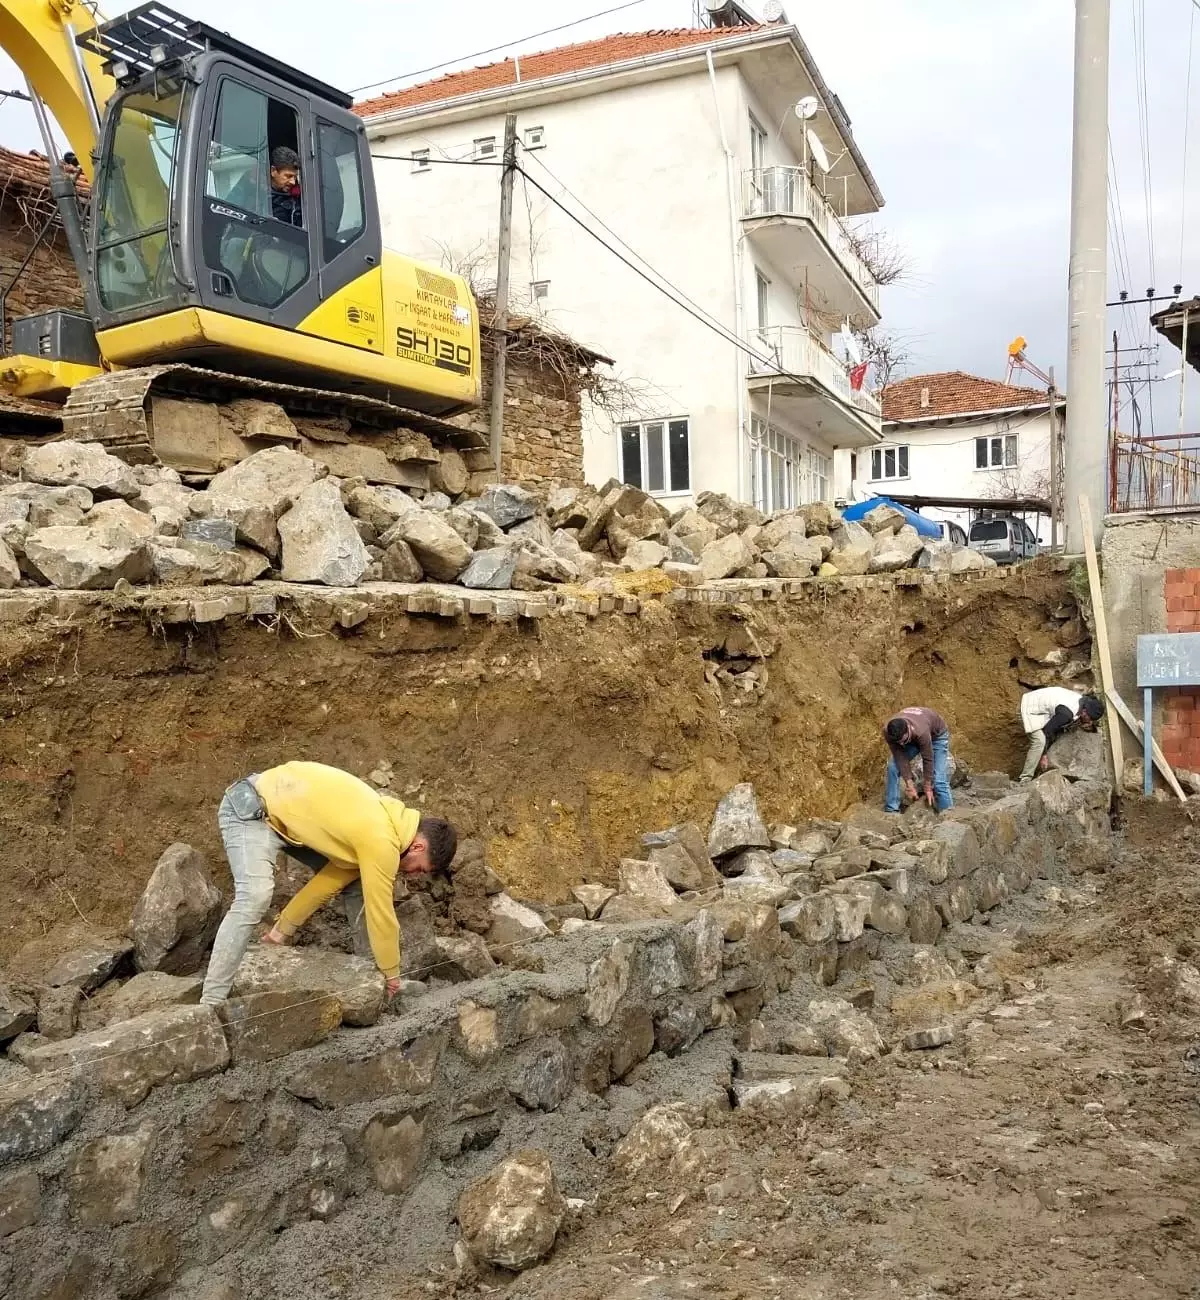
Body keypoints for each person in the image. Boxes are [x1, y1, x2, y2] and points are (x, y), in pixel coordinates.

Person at [199, 762, 457, 1005]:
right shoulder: (382, 840)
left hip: (284, 817)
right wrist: (394, 973)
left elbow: (329, 881)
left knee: (356, 884)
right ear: (418, 845)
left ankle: (372, 983)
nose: (413, 874)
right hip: (250, 810)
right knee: (253, 897)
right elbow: (382, 914)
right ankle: (211, 1003)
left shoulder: (382, 825)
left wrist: (282, 929)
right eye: (420, 868)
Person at [1019, 688, 1104, 781]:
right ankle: (1025, 778)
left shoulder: (1080, 702)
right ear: (1084, 712)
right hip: (1030, 708)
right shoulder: (1067, 713)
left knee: (1055, 731)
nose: (1090, 722)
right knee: (1039, 741)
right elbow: (1047, 732)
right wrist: (1044, 756)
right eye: (1090, 718)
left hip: (1041, 706)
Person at [883, 706, 953, 813]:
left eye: (903, 741)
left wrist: (928, 787)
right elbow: (899, 756)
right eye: (898, 743)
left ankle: (949, 815)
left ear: (908, 729)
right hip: (913, 738)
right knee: (893, 767)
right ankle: (892, 809)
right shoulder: (888, 732)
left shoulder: (921, 731)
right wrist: (909, 785)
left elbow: (928, 758)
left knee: (939, 780)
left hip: (937, 736)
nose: (901, 745)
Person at [267, 145, 302, 226]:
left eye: (295, 177)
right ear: (273, 171)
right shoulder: (254, 190)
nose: (293, 182)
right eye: (288, 176)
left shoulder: (297, 200)